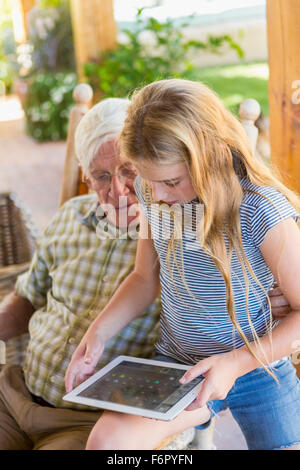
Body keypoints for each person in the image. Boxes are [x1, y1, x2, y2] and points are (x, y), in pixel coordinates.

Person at [65, 79, 300, 451]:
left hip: (258, 365)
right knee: (108, 445)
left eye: (171, 181)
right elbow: (144, 278)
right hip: (180, 366)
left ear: (210, 156)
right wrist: (97, 334)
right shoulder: (152, 190)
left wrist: (235, 363)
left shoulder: (261, 210)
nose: (154, 196)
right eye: (148, 181)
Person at [0, 98, 162, 450]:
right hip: (14, 395)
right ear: (84, 176)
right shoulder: (70, 215)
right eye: (102, 176)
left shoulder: (173, 238)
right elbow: (27, 296)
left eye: (128, 170)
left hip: (90, 425)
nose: (118, 190)